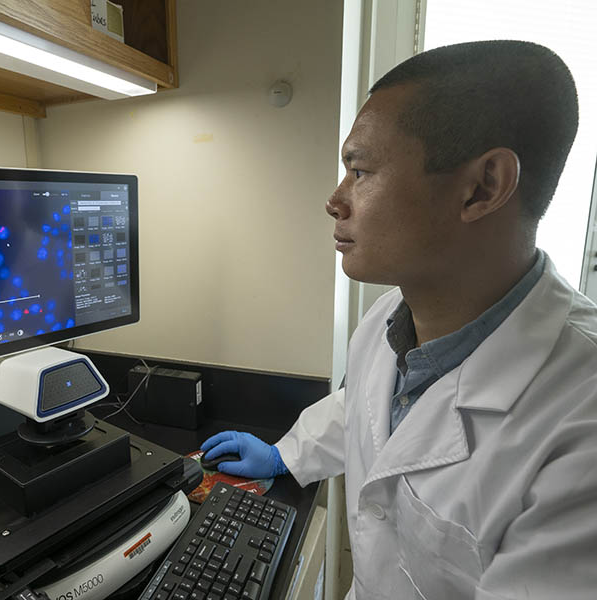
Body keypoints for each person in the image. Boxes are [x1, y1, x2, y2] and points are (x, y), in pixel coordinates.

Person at [202, 40, 597, 599]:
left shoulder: (581, 427)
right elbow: (364, 410)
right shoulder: (395, 316)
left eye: (360, 171)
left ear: (483, 187)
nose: (335, 200)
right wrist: (285, 455)